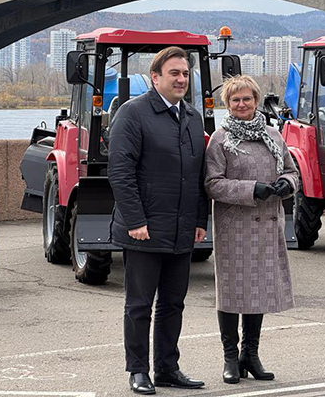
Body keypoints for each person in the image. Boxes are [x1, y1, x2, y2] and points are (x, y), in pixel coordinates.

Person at [109, 46, 208, 394]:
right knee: (139, 305)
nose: (181, 79)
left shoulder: (193, 117)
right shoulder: (132, 113)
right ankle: (138, 371)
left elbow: (198, 175)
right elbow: (121, 173)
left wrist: (200, 219)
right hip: (144, 230)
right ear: (155, 77)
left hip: (181, 228)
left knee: (173, 304)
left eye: (185, 74)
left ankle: (168, 368)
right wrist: (136, 220)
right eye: (174, 73)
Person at [204, 75, 299, 384]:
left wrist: (287, 184)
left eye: (246, 99)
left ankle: (251, 354)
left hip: (268, 223)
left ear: (256, 101)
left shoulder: (274, 134)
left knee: (257, 289)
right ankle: (230, 357)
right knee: (232, 291)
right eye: (235, 100)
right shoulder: (220, 139)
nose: (241, 104)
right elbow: (212, 183)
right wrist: (251, 189)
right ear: (227, 105)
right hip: (235, 225)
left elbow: (291, 170)